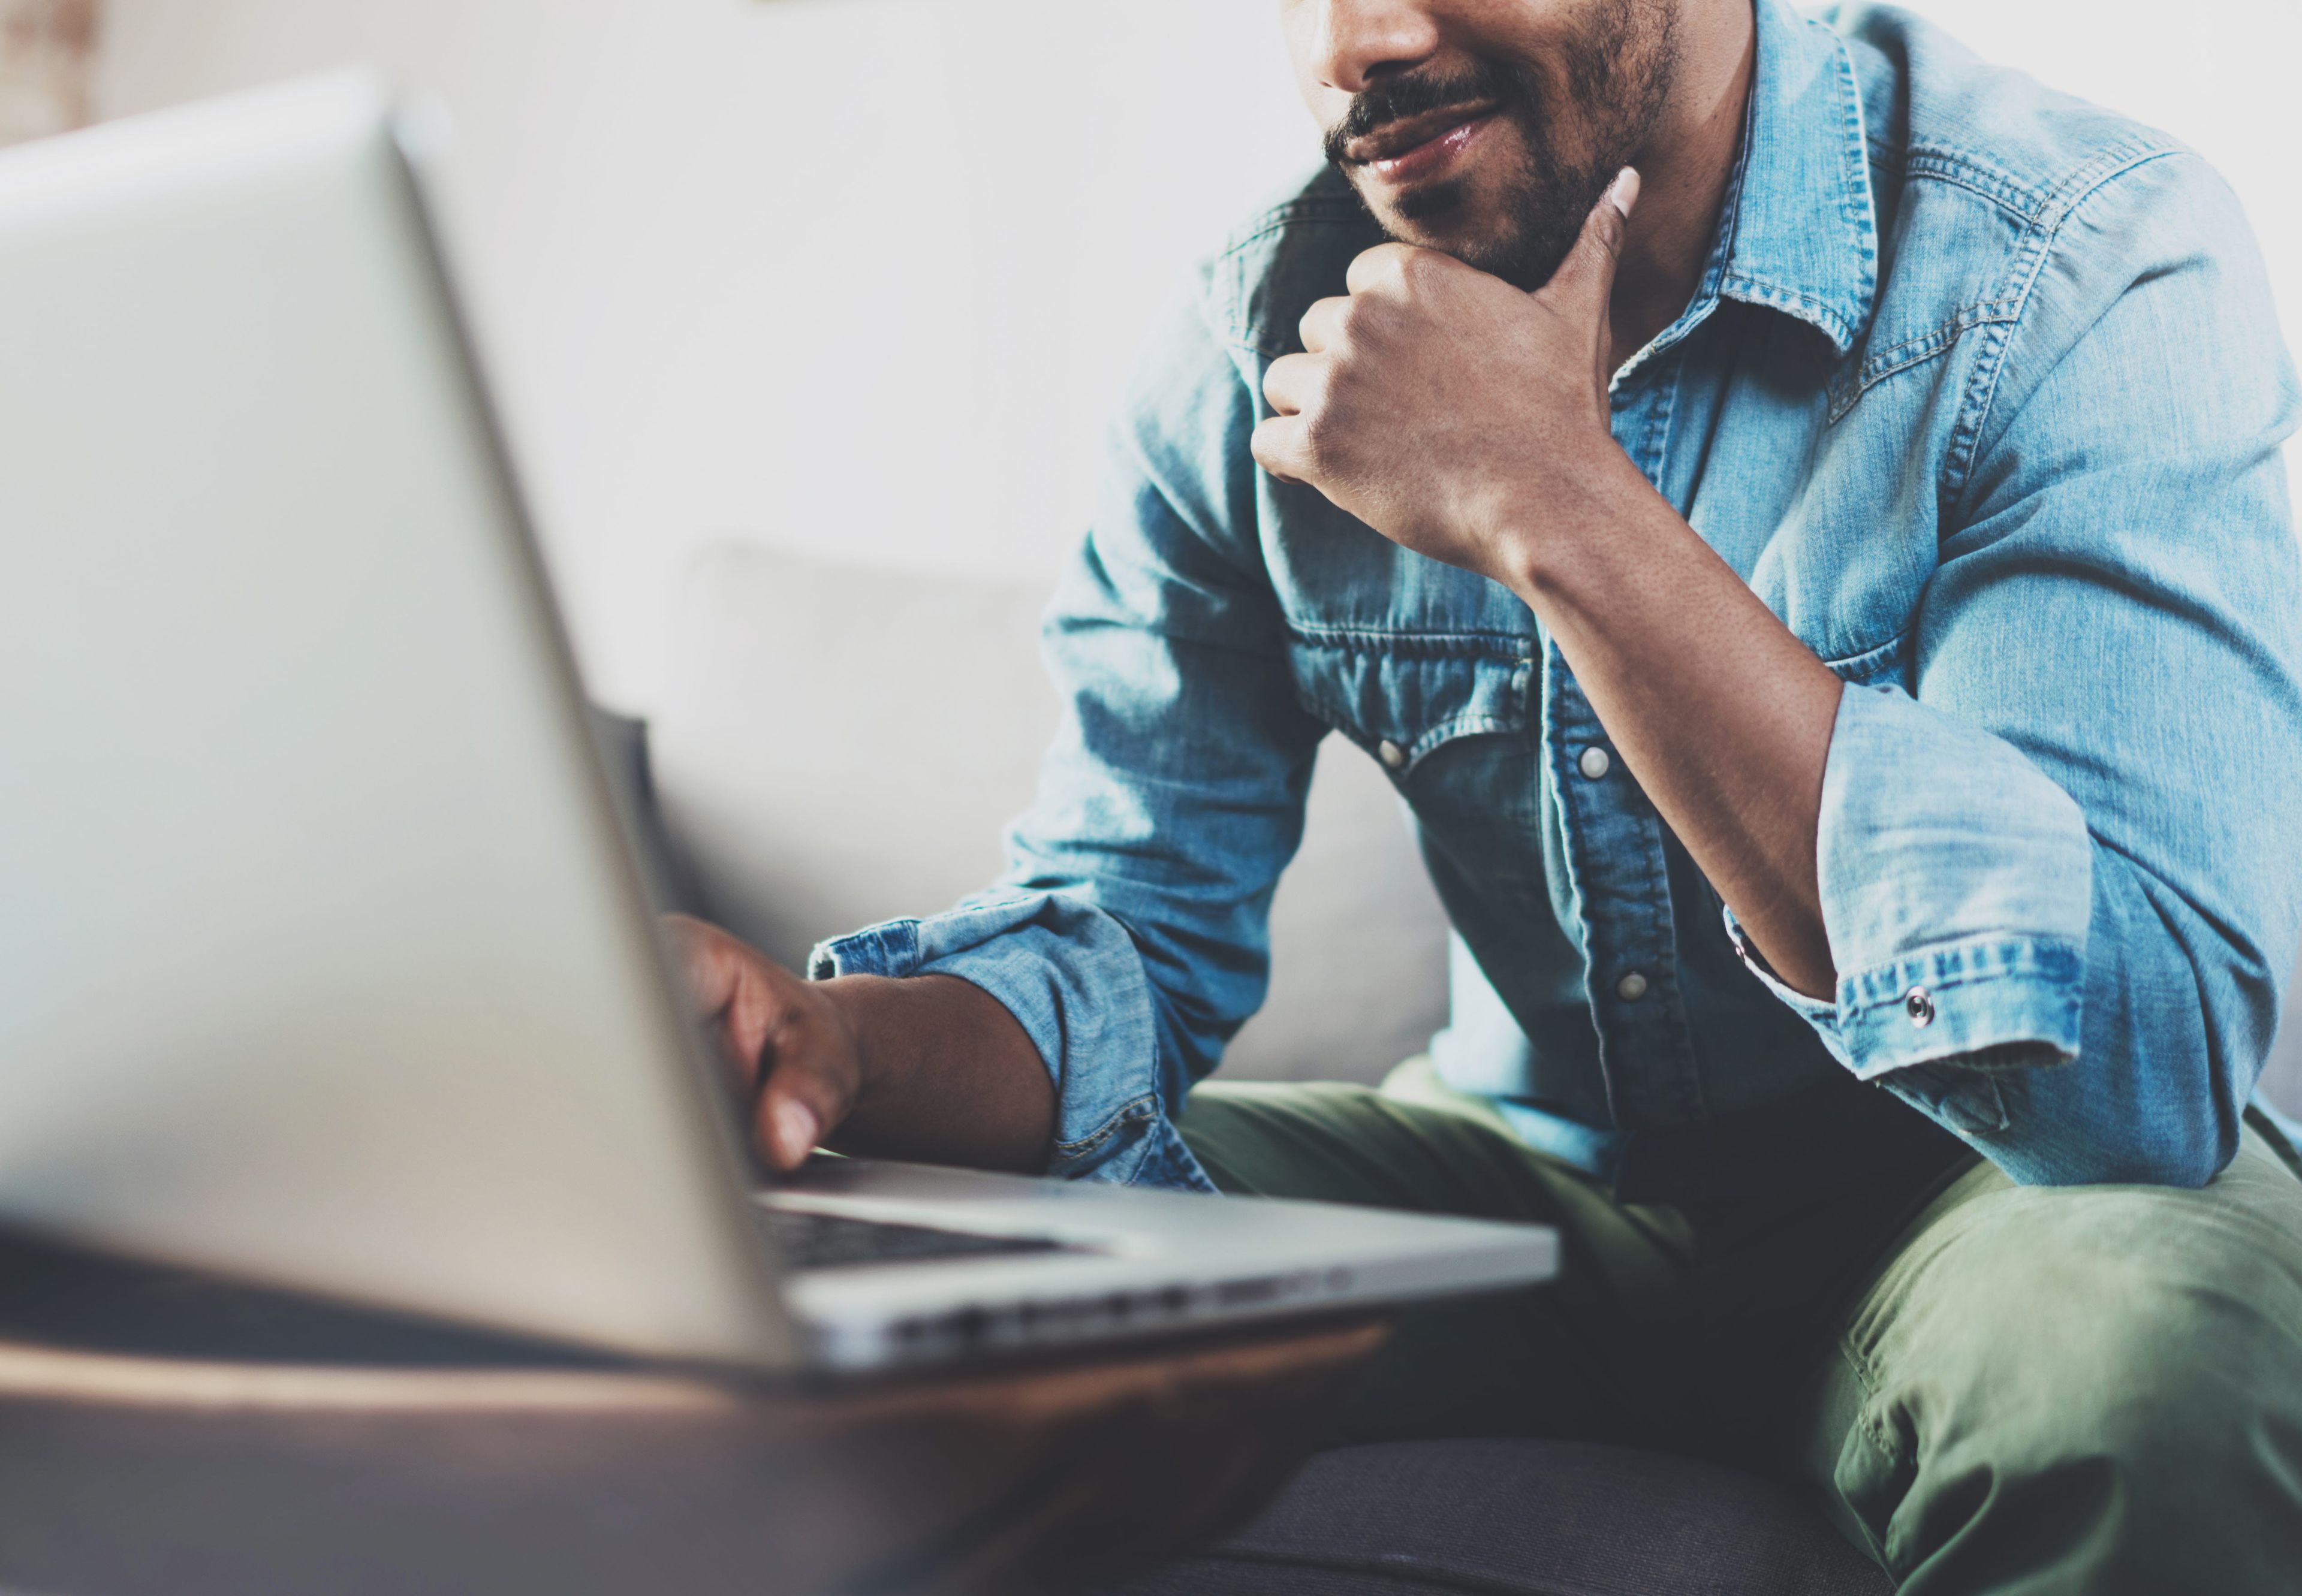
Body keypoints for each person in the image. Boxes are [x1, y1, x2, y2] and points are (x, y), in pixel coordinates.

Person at [669, 0, 2302, 1587]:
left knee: (2148, 1354)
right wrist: (836, 1048)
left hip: (1982, 1197)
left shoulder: (2075, 260)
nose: (1351, 45)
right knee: (881, 1263)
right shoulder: (1257, 338)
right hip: (1527, 1183)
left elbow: (2143, 1066)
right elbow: (1128, 936)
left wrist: (1560, 503)